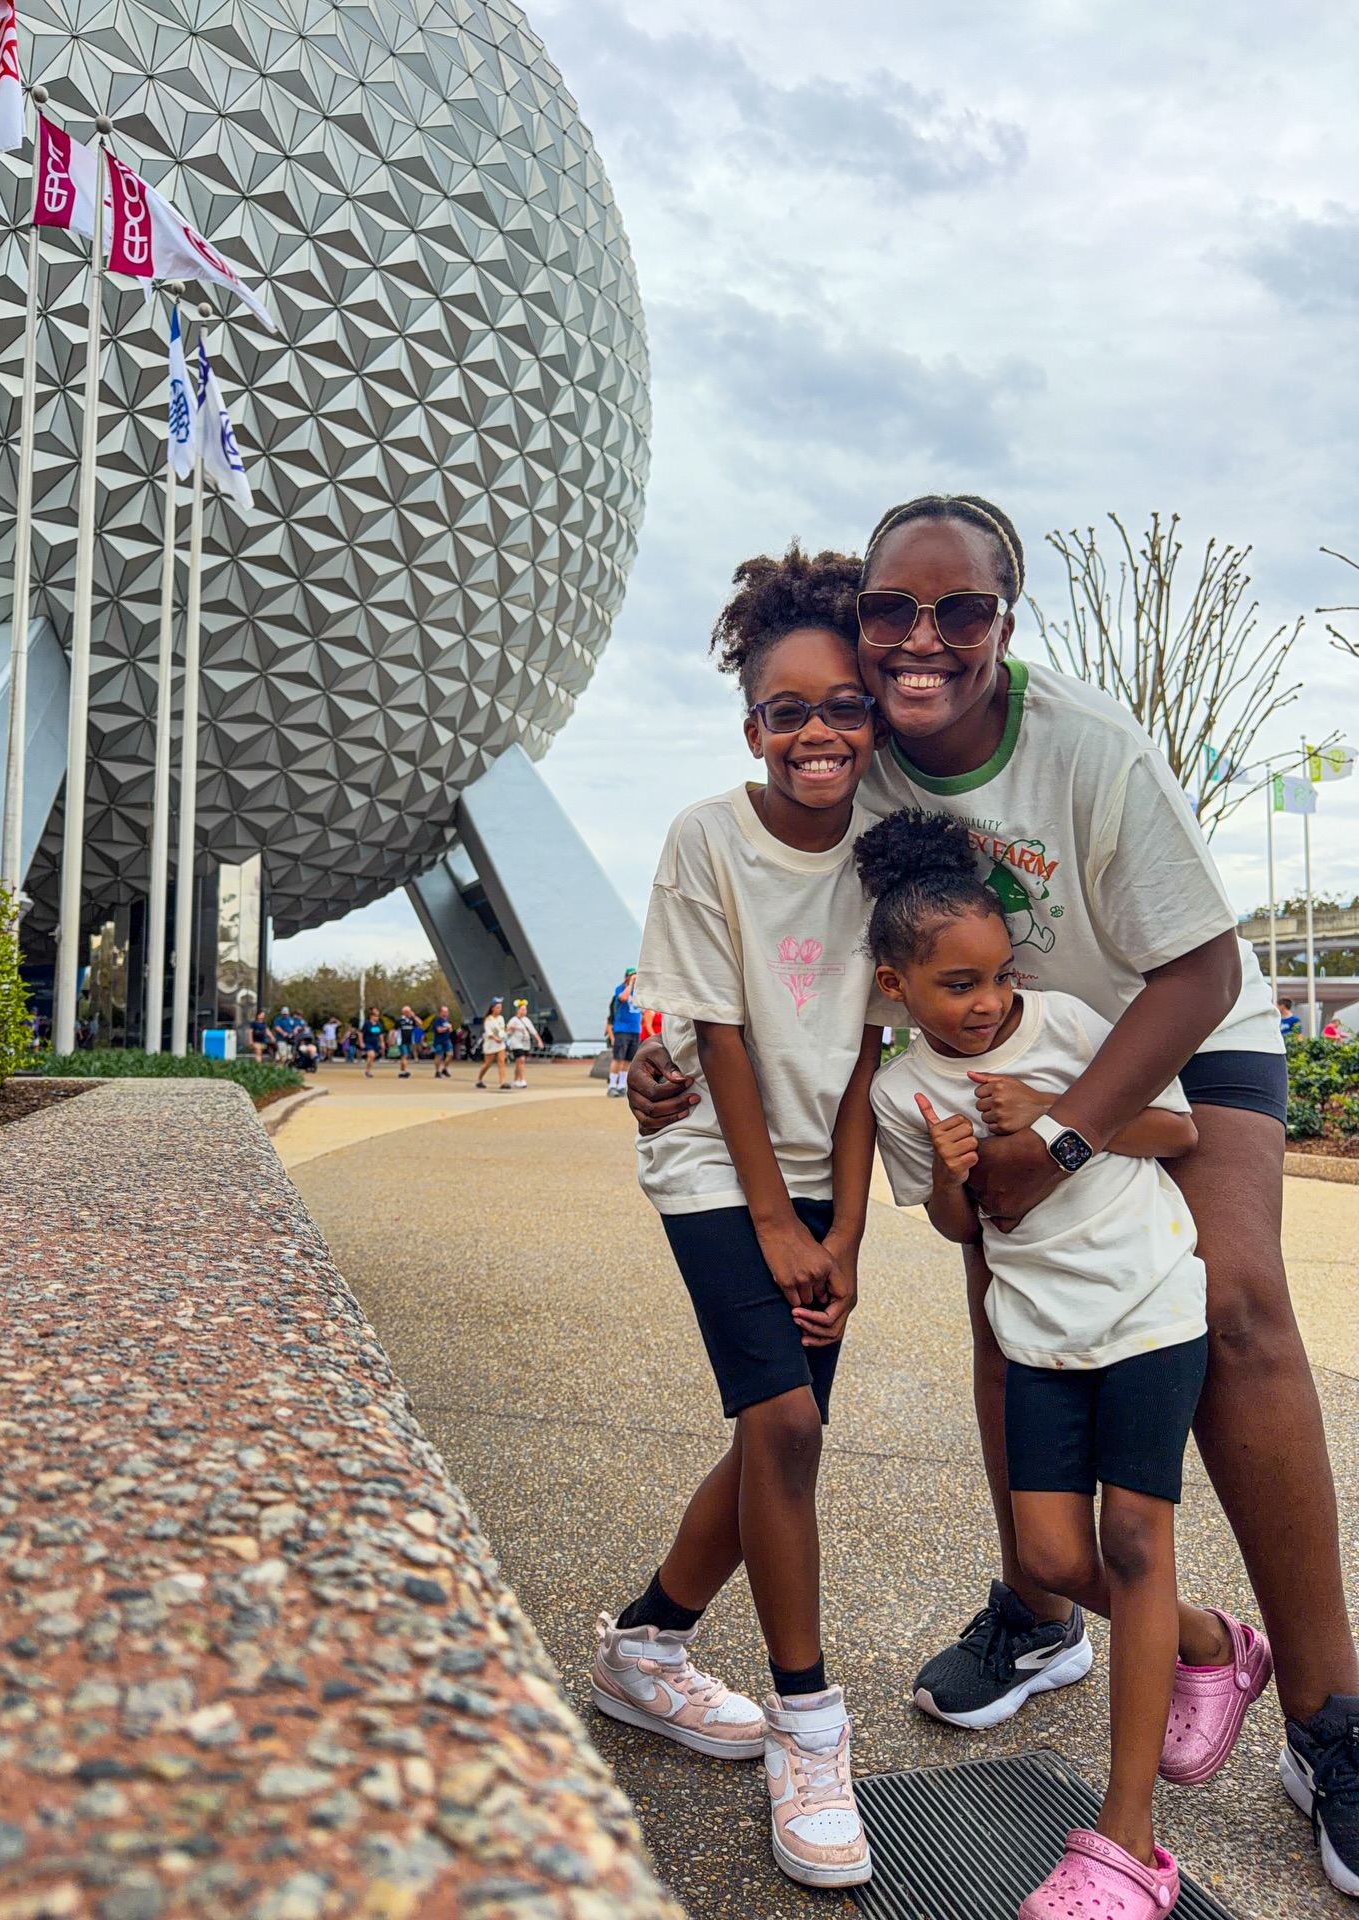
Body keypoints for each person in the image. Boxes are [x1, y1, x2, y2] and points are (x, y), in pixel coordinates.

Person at [627, 501, 1359, 1896]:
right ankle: (1042, 1610)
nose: (917, 643)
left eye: (956, 614)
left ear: (1004, 625)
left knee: (1238, 1298)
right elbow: (754, 927)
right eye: (891, 615)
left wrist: (1070, 1140)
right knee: (1007, 1304)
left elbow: (1199, 973)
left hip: (1173, 1024)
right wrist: (652, 1062)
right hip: (998, 1047)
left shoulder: (1091, 749)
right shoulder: (864, 749)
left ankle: (1331, 1718)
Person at [864, 808, 1271, 1912]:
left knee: (1136, 1541)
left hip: (1147, 1304)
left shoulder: (1072, 1024)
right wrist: (955, 1172)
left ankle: (1126, 1841)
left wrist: (1055, 1115)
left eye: (996, 975)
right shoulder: (901, 1093)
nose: (988, 1001)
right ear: (895, 985)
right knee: (1049, 1558)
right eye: (957, 986)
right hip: (1037, 1332)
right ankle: (1210, 1641)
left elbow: (1178, 1132)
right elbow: (959, 1229)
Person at [592, 549, 886, 1893]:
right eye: (787, 709)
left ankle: (646, 1649)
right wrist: (776, 1223)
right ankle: (809, 1729)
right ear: (749, 723)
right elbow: (703, 1036)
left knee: (786, 1432)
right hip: (717, 1165)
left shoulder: (891, 847)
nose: (817, 732)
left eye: (841, 705)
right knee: (783, 1426)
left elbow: (871, 1061)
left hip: (827, 1170)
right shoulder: (708, 839)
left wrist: (850, 1239)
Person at [608, 966, 643, 1097]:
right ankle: (612, 1085)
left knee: (628, 1060)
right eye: (632, 975)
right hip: (622, 1030)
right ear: (627, 976)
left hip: (635, 1030)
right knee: (618, 1058)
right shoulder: (620, 989)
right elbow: (623, 998)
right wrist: (630, 984)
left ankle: (622, 1085)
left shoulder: (639, 992)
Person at [475, 997, 510, 1089]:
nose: (499, 1010)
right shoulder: (488, 1019)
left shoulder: (501, 1018)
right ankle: (479, 1079)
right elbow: (488, 1032)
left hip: (500, 1044)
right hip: (490, 1044)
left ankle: (503, 1082)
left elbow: (502, 1030)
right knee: (488, 1063)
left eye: (500, 1008)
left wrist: (504, 1034)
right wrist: (494, 1037)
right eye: (497, 1007)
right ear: (493, 1008)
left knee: (501, 1062)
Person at [506, 998, 542, 1088]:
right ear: (518, 1010)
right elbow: (507, 1030)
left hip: (526, 1044)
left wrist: (539, 1040)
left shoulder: (527, 1020)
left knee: (520, 1062)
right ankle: (522, 1079)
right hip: (516, 1043)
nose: (524, 1011)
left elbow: (533, 1031)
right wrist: (510, 1029)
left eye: (525, 1009)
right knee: (521, 1059)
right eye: (522, 1009)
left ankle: (515, 1080)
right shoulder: (513, 1020)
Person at [359, 1004, 386, 1078]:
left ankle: (368, 1070)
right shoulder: (367, 1024)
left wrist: (382, 1043)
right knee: (371, 1055)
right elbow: (361, 1033)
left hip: (375, 1043)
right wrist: (361, 1042)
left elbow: (380, 1034)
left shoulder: (379, 1024)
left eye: (377, 1016)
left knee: (372, 1057)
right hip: (368, 1042)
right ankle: (368, 1071)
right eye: (375, 1016)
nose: (377, 1018)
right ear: (371, 1016)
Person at [396, 1004, 420, 1078]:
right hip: (402, 1040)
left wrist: (414, 1016)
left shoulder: (411, 1020)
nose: (409, 1013)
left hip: (409, 1040)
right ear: (404, 1012)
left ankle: (402, 1071)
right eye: (407, 1011)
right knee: (405, 1055)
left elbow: (420, 1023)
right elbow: (395, 1030)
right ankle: (405, 1071)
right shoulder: (400, 1020)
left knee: (405, 1056)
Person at [431, 1006, 454, 1078]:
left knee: (450, 1054)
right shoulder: (437, 1020)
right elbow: (439, 1030)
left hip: (447, 1040)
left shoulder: (447, 1020)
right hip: (438, 1041)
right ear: (441, 1012)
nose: (446, 1013)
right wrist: (446, 1028)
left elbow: (450, 1030)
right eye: (444, 1012)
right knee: (438, 1056)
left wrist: (450, 1028)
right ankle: (437, 1071)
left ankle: (445, 1068)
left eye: (447, 1012)